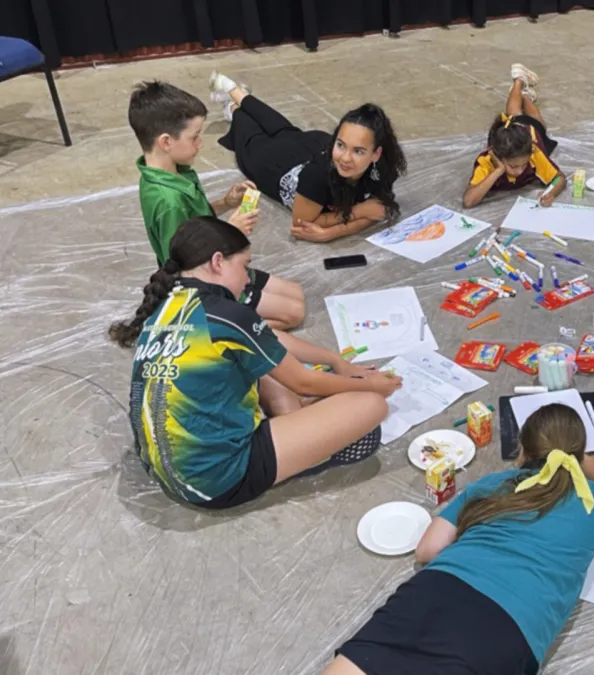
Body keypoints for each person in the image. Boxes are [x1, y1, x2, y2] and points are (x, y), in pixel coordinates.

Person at [108, 217, 403, 510]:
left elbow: (268, 338)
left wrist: (334, 360)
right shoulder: (228, 314)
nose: (248, 279)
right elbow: (304, 381)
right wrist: (368, 384)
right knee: (371, 405)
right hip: (219, 480)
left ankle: (295, 423)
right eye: (244, 266)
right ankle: (301, 445)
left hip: (169, 469)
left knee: (259, 355)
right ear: (218, 262)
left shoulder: (165, 307)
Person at [321, 403, 594, 675]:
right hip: (510, 628)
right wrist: (577, 460)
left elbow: (428, 550)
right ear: (576, 456)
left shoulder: (496, 483)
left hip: (437, 592)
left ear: (522, 451)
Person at [128, 81, 306, 330]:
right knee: (294, 313)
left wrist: (225, 203)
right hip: (202, 284)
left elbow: (194, 223)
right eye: (194, 137)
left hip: (218, 266)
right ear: (166, 142)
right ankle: (210, 328)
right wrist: (231, 232)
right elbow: (182, 263)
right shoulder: (168, 201)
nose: (200, 143)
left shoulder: (176, 172)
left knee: (296, 294)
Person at [208, 72, 407, 244]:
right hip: (273, 163)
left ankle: (236, 94)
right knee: (255, 133)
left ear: (376, 154)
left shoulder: (383, 165)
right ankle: (234, 102)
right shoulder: (317, 175)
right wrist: (353, 216)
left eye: (358, 151)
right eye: (340, 144)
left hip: (306, 148)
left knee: (283, 129)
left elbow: (380, 210)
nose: (346, 158)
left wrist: (332, 229)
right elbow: (303, 224)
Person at [462, 64, 566, 209]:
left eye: (524, 164)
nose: (520, 171)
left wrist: (551, 193)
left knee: (537, 121)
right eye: (513, 166)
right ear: (498, 156)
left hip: (531, 131)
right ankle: (520, 85)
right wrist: (498, 170)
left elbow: (559, 178)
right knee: (514, 114)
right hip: (512, 129)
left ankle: (524, 93)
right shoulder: (487, 162)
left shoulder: (534, 154)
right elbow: (468, 201)